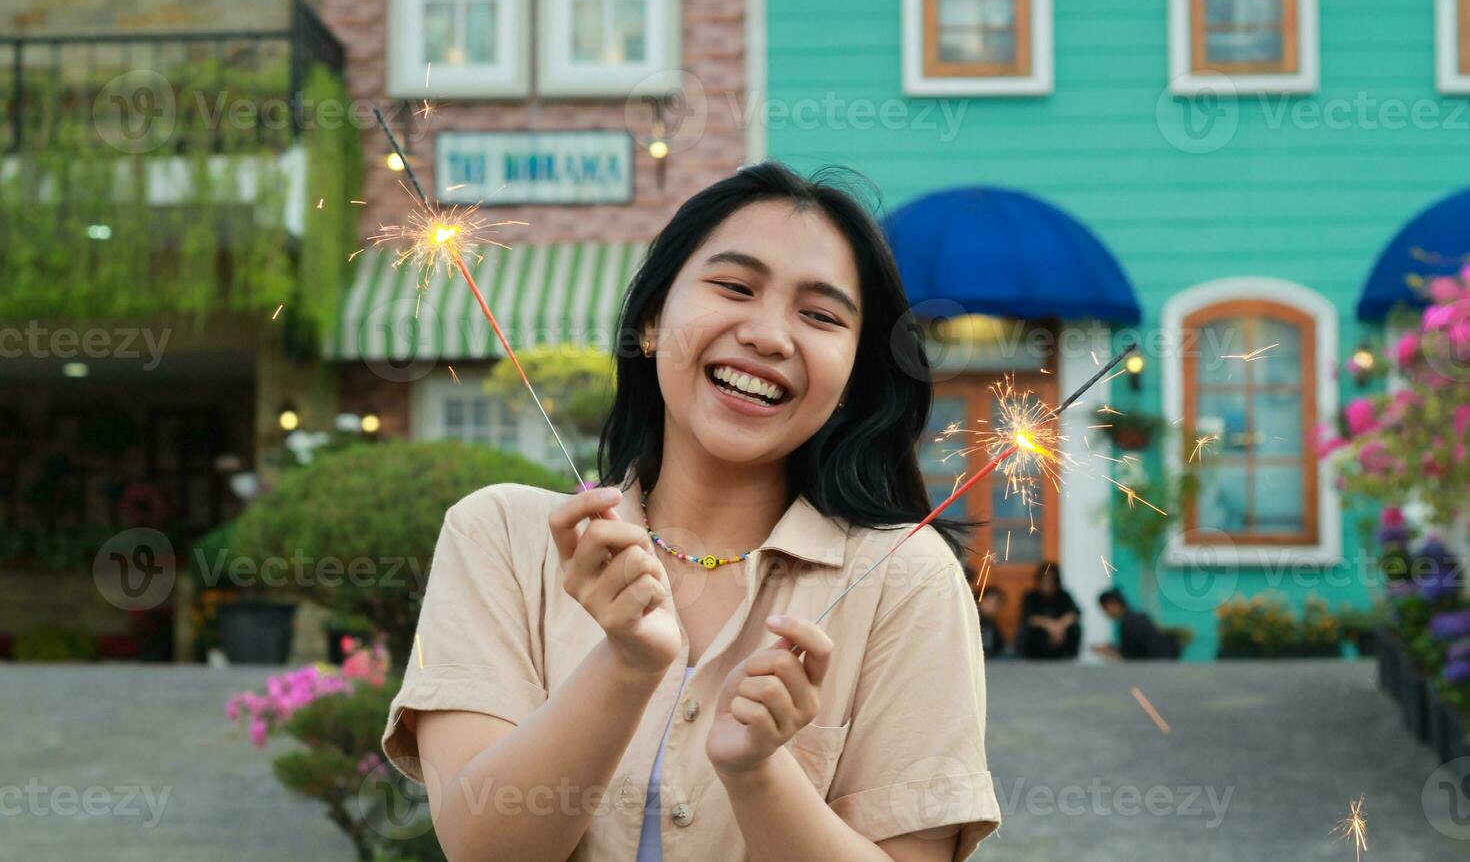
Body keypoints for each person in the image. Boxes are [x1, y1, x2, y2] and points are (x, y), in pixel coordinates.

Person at [381, 162, 1002, 861]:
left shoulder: (905, 579)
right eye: (734, 287)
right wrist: (626, 666)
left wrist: (760, 773)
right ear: (651, 322)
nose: (770, 336)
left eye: (821, 316)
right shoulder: (500, 536)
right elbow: (485, 847)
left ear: (854, 377)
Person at [1092, 589, 1181, 661]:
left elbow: (1130, 656)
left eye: (1105, 608)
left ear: (1113, 604)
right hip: (1164, 659)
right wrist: (1112, 648)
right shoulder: (1137, 617)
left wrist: (1110, 652)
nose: (1104, 612)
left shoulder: (1128, 623)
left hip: (1157, 663)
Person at [1018, 562, 1081, 660]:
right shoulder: (1030, 596)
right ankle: (1028, 657)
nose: (1047, 583)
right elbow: (1029, 617)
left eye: (1050, 580)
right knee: (1026, 629)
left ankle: (1069, 656)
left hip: (1061, 633)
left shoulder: (1064, 595)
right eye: (1044, 580)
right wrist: (1051, 626)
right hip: (1040, 635)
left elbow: (1075, 613)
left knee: (1075, 628)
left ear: (1056, 581)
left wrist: (1060, 626)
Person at [978, 586, 1008, 660]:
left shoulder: (991, 624)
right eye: (989, 602)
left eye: (997, 604)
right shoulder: (971, 620)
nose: (993, 606)